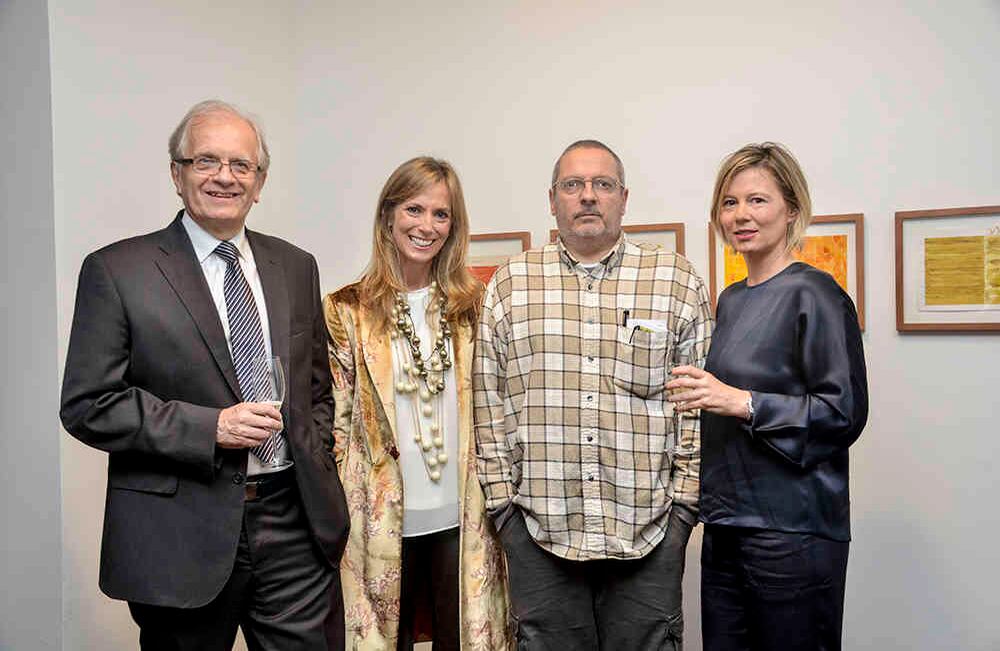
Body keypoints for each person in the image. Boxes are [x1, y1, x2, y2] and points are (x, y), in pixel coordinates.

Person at [60, 100, 349, 650]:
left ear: (259, 183)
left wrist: (319, 460)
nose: (224, 176)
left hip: (295, 525)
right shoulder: (117, 271)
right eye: (206, 161)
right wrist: (210, 428)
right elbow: (88, 404)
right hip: (180, 534)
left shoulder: (295, 265)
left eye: (241, 165)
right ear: (177, 174)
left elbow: (316, 389)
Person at [474, 140, 713, 650]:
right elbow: (487, 402)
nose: (587, 196)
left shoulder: (675, 281)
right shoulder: (510, 284)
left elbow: (696, 407)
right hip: (538, 532)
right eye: (573, 185)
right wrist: (503, 511)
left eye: (602, 184)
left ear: (623, 198)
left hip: (649, 530)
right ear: (552, 200)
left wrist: (683, 510)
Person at [668, 142, 868, 650]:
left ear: (792, 210)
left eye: (757, 200)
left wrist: (743, 402)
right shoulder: (732, 299)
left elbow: (843, 412)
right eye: (730, 202)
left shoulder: (816, 293)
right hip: (726, 526)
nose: (741, 215)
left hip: (793, 532)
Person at [323, 156, 510, 650]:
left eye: (441, 214)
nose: (427, 225)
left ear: (453, 226)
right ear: (388, 215)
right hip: (376, 522)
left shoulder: (474, 306)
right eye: (414, 209)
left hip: (464, 518)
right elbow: (336, 425)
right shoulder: (347, 309)